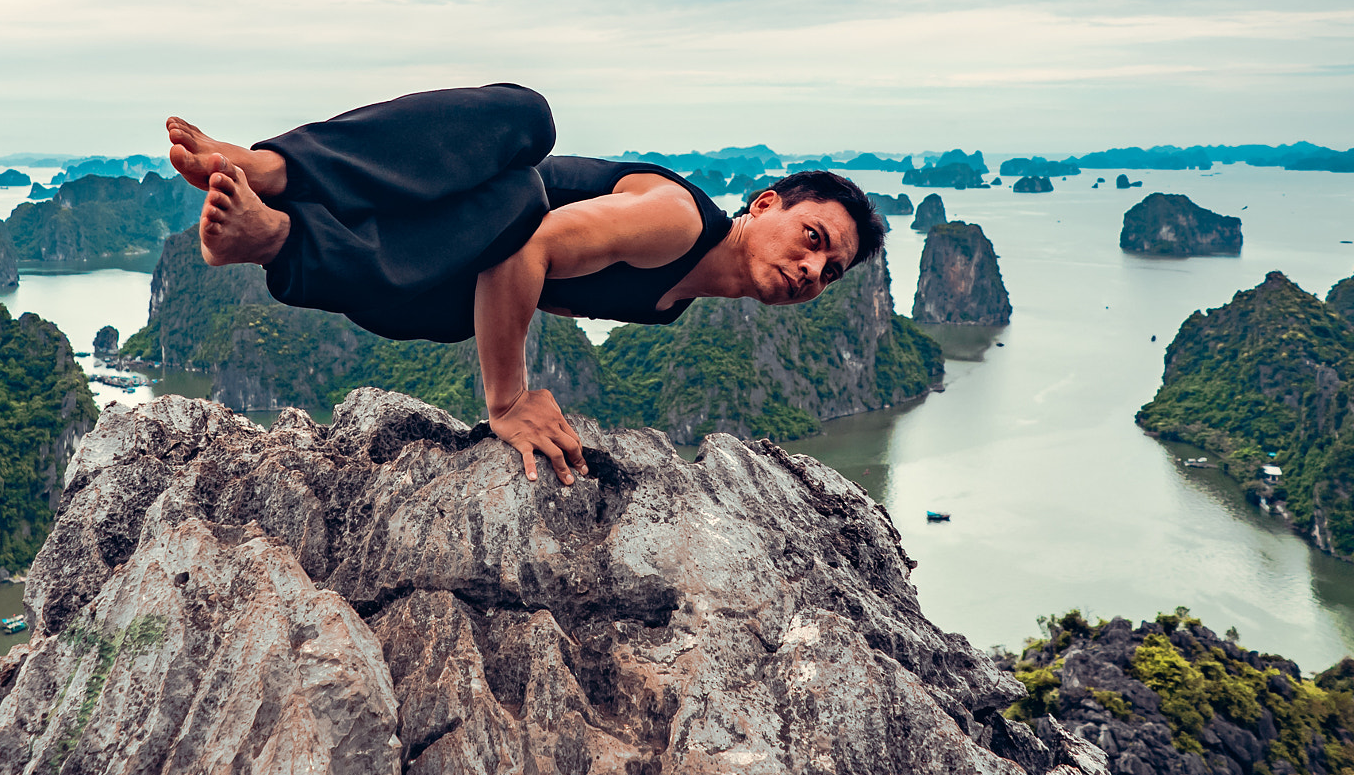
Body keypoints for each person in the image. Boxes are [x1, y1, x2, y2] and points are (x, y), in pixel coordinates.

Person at [163, 83, 884, 487]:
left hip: (414, 256)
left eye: (830, 271)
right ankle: (275, 171)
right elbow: (522, 253)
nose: (813, 271)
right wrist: (508, 401)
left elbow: (505, 284)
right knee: (525, 122)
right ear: (764, 206)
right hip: (443, 188)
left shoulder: (681, 299)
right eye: (814, 239)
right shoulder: (675, 221)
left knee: (462, 312)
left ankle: (276, 238)